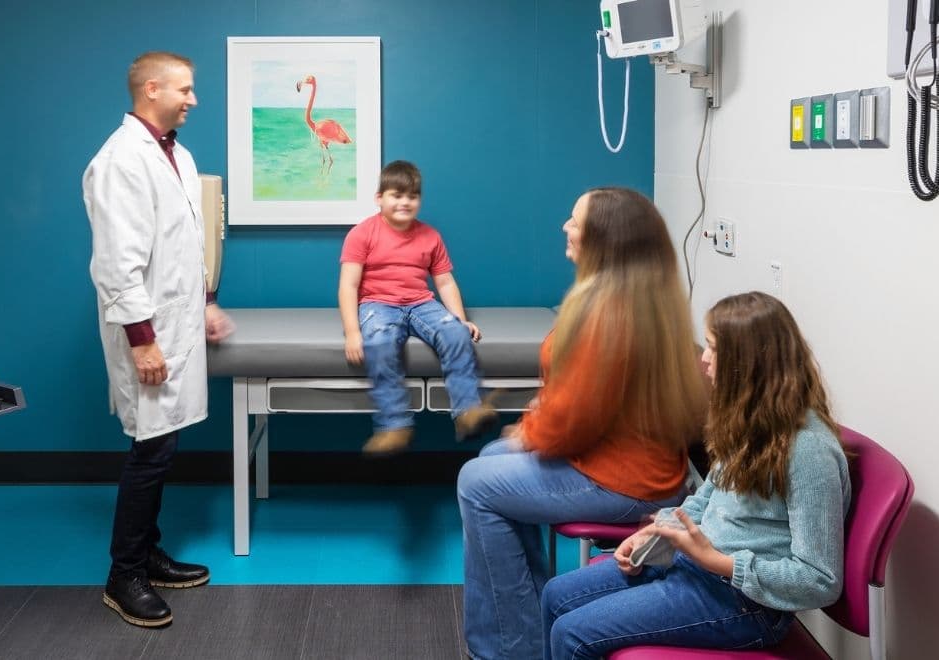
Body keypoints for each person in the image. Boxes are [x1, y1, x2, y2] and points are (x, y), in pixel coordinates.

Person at [457, 187, 707, 660]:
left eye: (574, 221)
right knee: (491, 459)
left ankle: (510, 650)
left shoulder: (605, 315)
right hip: (640, 467)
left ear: (603, 240)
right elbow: (588, 404)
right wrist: (538, 423)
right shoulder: (643, 299)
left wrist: (533, 429)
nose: (565, 227)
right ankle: (527, 626)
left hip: (628, 481)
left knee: (476, 482)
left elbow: (568, 424)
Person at [538, 291, 850, 659]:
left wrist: (716, 561)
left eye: (714, 349)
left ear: (744, 364)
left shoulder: (808, 450)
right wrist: (652, 537)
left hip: (745, 604)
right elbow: (704, 501)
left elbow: (820, 579)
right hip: (692, 566)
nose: (704, 359)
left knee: (573, 634)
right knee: (555, 596)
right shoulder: (752, 422)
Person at [84, 50, 235, 628]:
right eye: (186, 90)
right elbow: (118, 263)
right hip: (146, 331)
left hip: (175, 322)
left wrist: (206, 304)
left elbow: (182, 248)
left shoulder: (177, 154)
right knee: (151, 448)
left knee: (163, 443)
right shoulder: (122, 160)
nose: (193, 100)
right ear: (153, 89)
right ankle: (123, 575)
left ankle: (147, 552)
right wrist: (143, 340)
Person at [339, 160, 499, 455]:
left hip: (420, 303)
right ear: (379, 198)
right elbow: (348, 285)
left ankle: (468, 411)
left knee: (455, 335)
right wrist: (351, 331)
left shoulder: (430, 236)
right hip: (378, 304)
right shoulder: (362, 234)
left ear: (419, 201)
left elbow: (445, 282)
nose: (404, 202)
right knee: (380, 341)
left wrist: (459, 320)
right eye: (396, 195)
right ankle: (394, 424)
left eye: (412, 197)